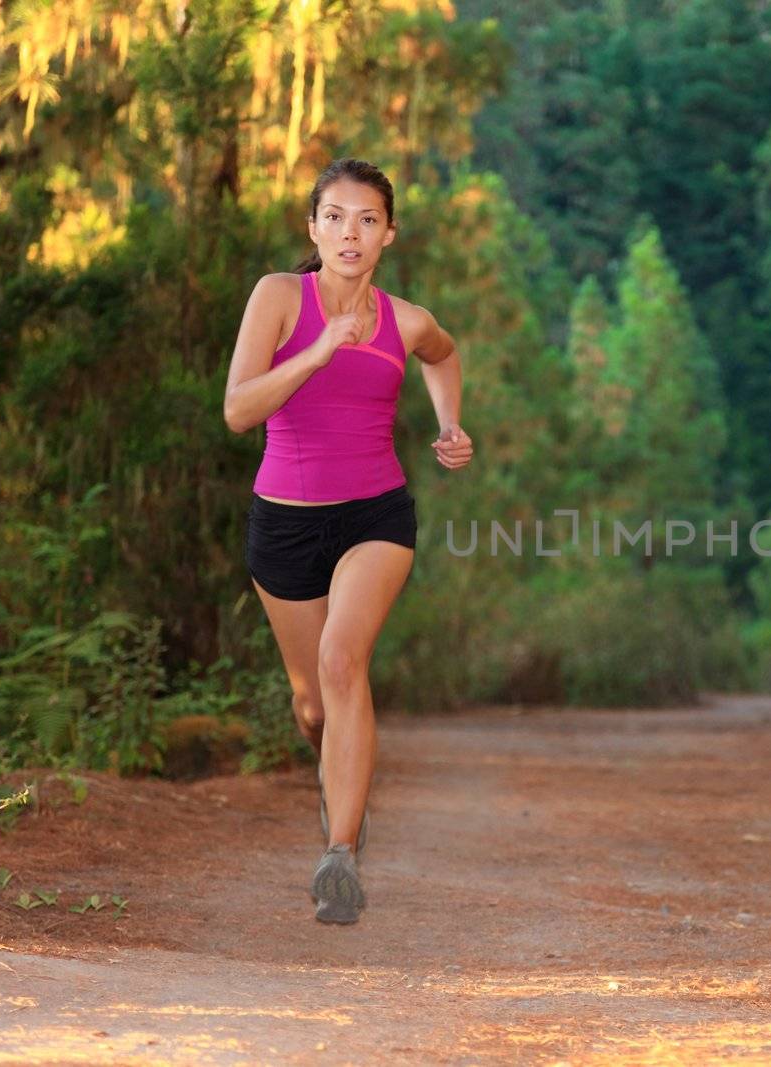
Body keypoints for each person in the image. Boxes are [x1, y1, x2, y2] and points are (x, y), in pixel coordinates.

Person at [223, 158, 473, 924]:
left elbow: (444, 354)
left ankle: (339, 852)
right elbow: (238, 410)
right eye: (333, 216)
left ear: (388, 234)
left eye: (366, 219)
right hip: (286, 521)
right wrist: (319, 350)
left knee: (343, 659)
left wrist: (448, 422)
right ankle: (336, 773)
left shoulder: (407, 319)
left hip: (375, 516)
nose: (349, 232)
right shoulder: (277, 297)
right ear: (313, 227)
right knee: (313, 702)